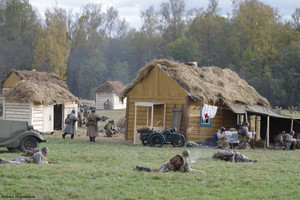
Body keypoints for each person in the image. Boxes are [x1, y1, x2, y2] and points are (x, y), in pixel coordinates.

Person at [135, 150, 203, 173]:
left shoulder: (178, 156)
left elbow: (171, 160)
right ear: (188, 155)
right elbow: (188, 171)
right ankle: (140, 168)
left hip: (166, 164)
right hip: (169, 169)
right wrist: (194, 170)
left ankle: (140, 168)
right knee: (157, 172)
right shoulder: (186, 162)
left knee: (153, 169)